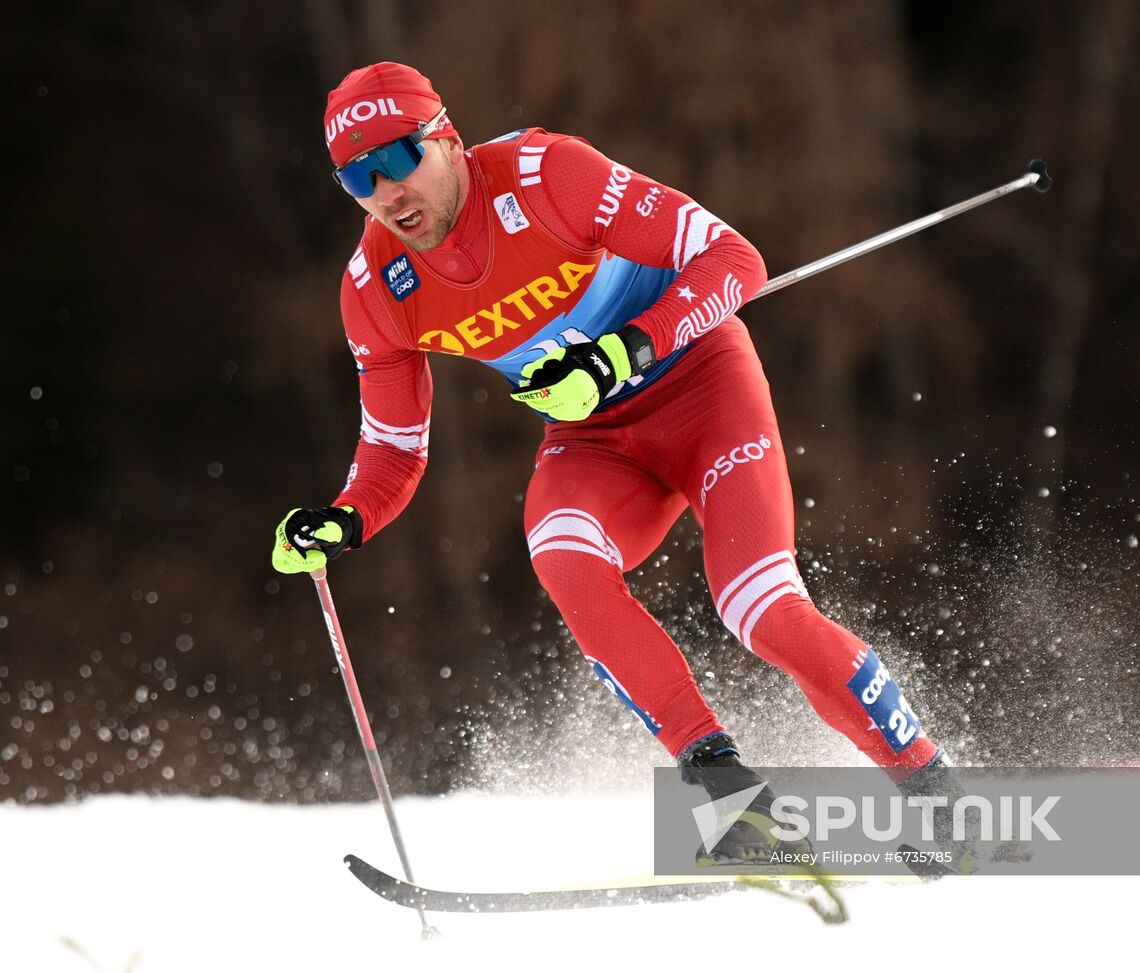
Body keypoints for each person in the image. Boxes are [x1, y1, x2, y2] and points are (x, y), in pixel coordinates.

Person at [272, 62, 950, 864]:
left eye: (397, 159)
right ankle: (733, 797)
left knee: (759, 607)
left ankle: (935, 790)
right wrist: (345, 519)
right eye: (357, 177)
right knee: (560, 550)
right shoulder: (377, 289)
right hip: (597, 440)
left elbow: (733, 259)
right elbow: (394, 447)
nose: (386, 192)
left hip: (702, 388)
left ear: (446, 139)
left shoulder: (546, 174)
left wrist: (620, 353)